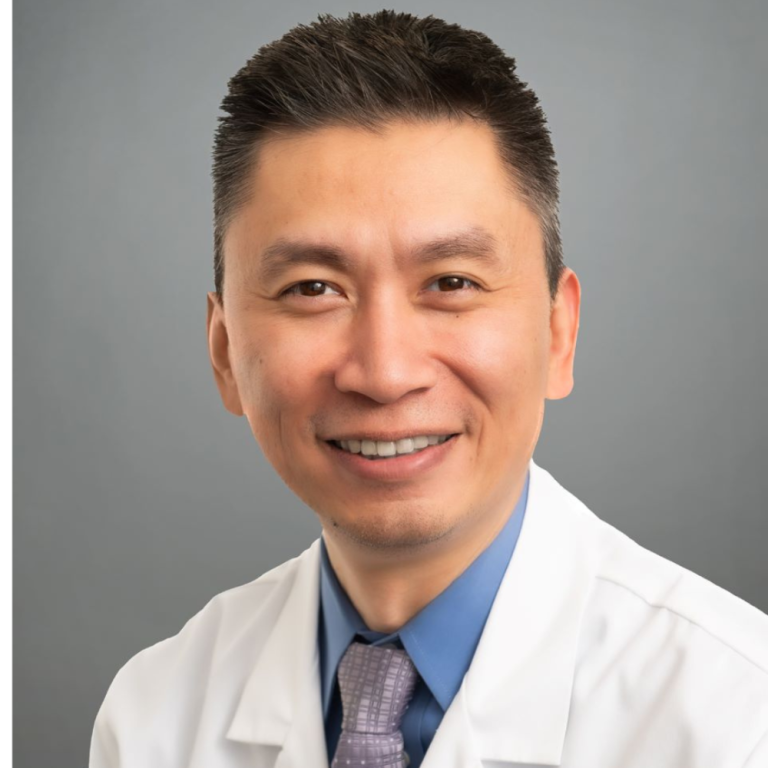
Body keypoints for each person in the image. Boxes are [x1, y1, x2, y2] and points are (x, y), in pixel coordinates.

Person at [89, 10, 768, 768]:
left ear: (558, 332)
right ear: (224, 353)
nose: (385, 373)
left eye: (452, 282)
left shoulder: (739, 719)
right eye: (313, 288)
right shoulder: (154, 717)